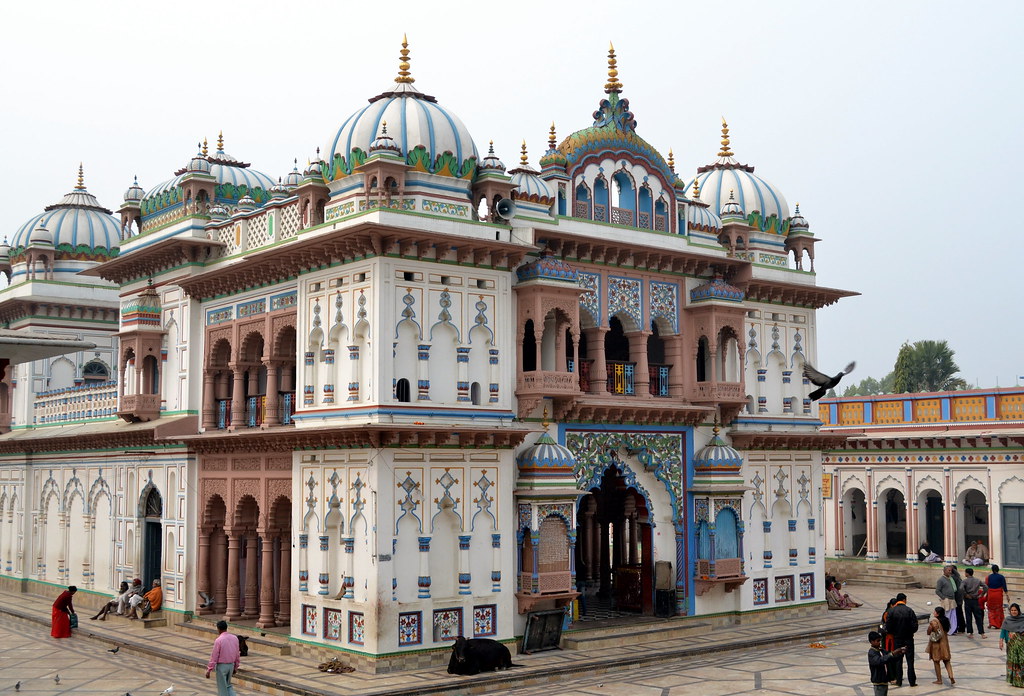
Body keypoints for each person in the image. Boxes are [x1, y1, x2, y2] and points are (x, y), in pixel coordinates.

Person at [885, 592, 920, 687]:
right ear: (904, 600)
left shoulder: (892, 611)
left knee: (898, 661)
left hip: (897, 639)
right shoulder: (909, 610)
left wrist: (894, 632)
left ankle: (899, 681)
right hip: (908, 638)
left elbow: (888, 626)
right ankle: (912, 681)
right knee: (910, 661)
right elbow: (915, 625)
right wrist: (910, 631)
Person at [206, 619, 240, 696]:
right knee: (228, 686)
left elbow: (214, 656)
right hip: (231, 665)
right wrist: (236, 667)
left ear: (218, 629)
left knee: (222, 688)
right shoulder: (235, 638)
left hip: (222, 666)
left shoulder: (219, 640)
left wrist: (209, 669)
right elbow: (237, 654)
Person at [868, 630, 905, 696]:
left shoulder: (881, 650)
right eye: (877, 641)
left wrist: (899, 653)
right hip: (878, 681)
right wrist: (893, 653)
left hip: (884, 679)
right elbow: (880, 660)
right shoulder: (871, 653)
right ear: (872, 642)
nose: (879, 643)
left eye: (880, 640)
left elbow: (890, 658)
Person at [926, 606, 955, 685]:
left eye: (935, 612)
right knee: (947, 661)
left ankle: (939, 680)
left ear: (938, 614)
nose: (934, 613)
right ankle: (951, 676)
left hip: (936, 644)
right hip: (945, 643)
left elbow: (928, 632)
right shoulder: (946, 620)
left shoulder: (934, 622)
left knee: (936, 661)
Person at [1000, 603, 1024, 687]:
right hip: (1011, 644)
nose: (1014, 612)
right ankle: (1014, 680)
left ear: (1018, 611)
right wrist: (1001, 641)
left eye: (1015, 610)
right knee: (1012, 660)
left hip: (1021, 643)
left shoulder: (1023, 619)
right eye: (1012, 610)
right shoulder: (1007, 620)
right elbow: (1003, 631)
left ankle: (1021, 680)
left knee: (1021, 660)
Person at [962, 567, 988, 638]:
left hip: (968, 600)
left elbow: (961, 588)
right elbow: (985, 587)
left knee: (968, 616)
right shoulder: (977, 580)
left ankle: (971, 633)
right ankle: (982, 633)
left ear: (967, 573)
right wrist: (981, 594)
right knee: (978, 617)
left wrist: (966, 594)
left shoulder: (965, 581)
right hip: (976, 599)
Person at [880, 598, 899, 685]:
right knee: (890, 657)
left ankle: (895, 675)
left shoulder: (892, 612)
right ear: (892, 605)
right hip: (888, 639)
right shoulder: (887, 613)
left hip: (893, 638)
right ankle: (891, 676)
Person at [935, 565, 958, 633]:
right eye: (949, 570)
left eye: (951, 570)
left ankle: (952, 630)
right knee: (947, 616)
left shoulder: (951, 578)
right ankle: (946, 630)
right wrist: (943, 597)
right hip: (946, 600)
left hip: (952, 600)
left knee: (953, 617)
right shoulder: (941, 580)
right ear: (944, 571)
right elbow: (937, 591)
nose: (950, 572)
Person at [989, 564, 1008, 630]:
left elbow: (987, 585)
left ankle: (992, 623)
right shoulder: (1001, 577)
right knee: (998, 608)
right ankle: (998, 623)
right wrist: (1007, 595)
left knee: (991, 609)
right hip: (998, 594)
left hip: (990, 594)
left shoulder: (989, 577)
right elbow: (1004, 587)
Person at [950, 564, 966, 633]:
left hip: (956, 597)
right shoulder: (958, 577)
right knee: (959, 611)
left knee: (956, 612)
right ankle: (962, 626)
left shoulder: (953, 577)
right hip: (960, 597)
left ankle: (958, 626)